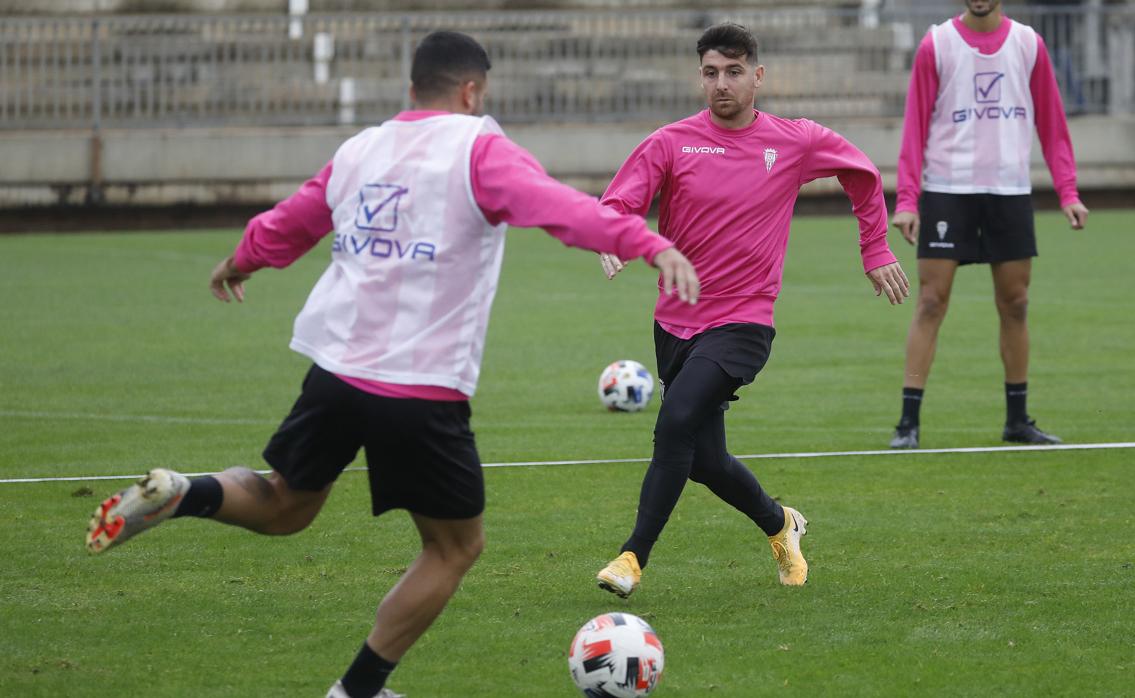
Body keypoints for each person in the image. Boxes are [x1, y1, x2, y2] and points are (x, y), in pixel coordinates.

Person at [82, 31, 698, 698]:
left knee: (285, 505)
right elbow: (560, 210)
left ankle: (183, 491)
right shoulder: (480, 148)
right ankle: (360, 689)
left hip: (335, 370)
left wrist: (243, 258)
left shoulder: (361, 149)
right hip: (419, 388)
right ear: (471, 92)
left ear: (411, 89)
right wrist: (647, 241)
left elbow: (292, 220)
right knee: (454, 548)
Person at [593, 22, 909, 599]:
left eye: (734, 72)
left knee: (675, 422)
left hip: (744, 324)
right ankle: (781, 524)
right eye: (711, 72)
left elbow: (862, 174)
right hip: (675, 323)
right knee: (705, 460)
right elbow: (619, 201)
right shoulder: (671, 141)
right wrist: (615, 237)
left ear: (757, 77)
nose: (722, 84)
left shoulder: (795, 140)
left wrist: (875, 248)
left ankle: (632, 557)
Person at [888, 0, 1090, 450]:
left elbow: (1053, 125)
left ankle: (1017, 421)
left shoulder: (1028, 44)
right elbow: (915, 127)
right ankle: (907, 424)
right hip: (947, 189)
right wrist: (907, 200)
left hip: (1009, 190)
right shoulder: (935, 44)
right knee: (930, 302)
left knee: (1016, 303)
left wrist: (1068, 191)